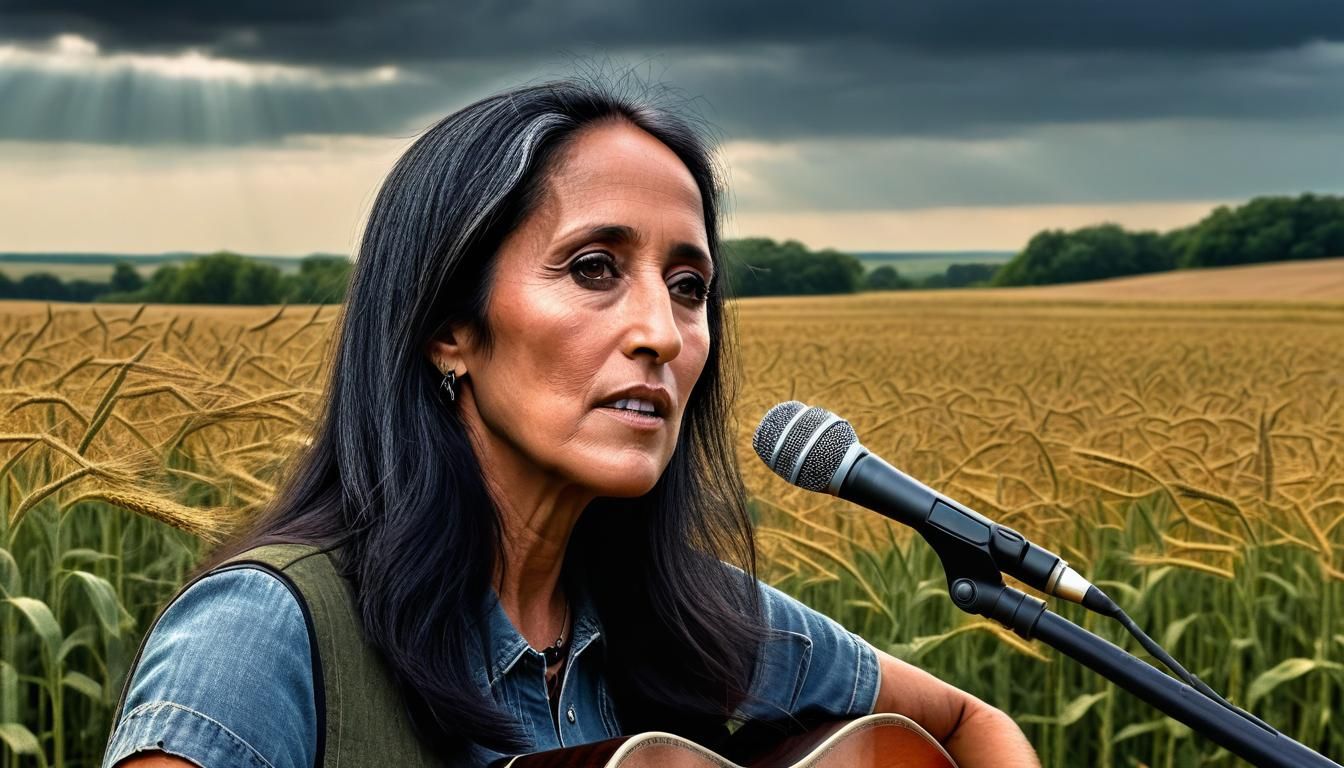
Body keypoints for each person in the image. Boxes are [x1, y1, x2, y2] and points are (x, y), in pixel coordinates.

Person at [102, 76, 1040, 768]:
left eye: (688, 287)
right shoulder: (267, 636)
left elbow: (968, 727)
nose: (661, 334)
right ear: (448, 328)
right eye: (594, 268)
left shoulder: (695, 617)